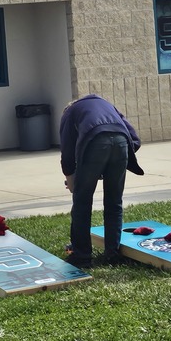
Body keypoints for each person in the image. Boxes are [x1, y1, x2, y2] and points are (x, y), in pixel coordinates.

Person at [59, 94, 144, 269]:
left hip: (95, 143)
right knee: (114, 203)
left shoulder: (69, 113)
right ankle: (112, 254)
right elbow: (134, 140)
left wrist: (72, 180)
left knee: (82, 203)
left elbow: (67, 154)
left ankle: (82, 256)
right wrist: (106, 165)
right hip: (121, 143)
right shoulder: (107, 105)